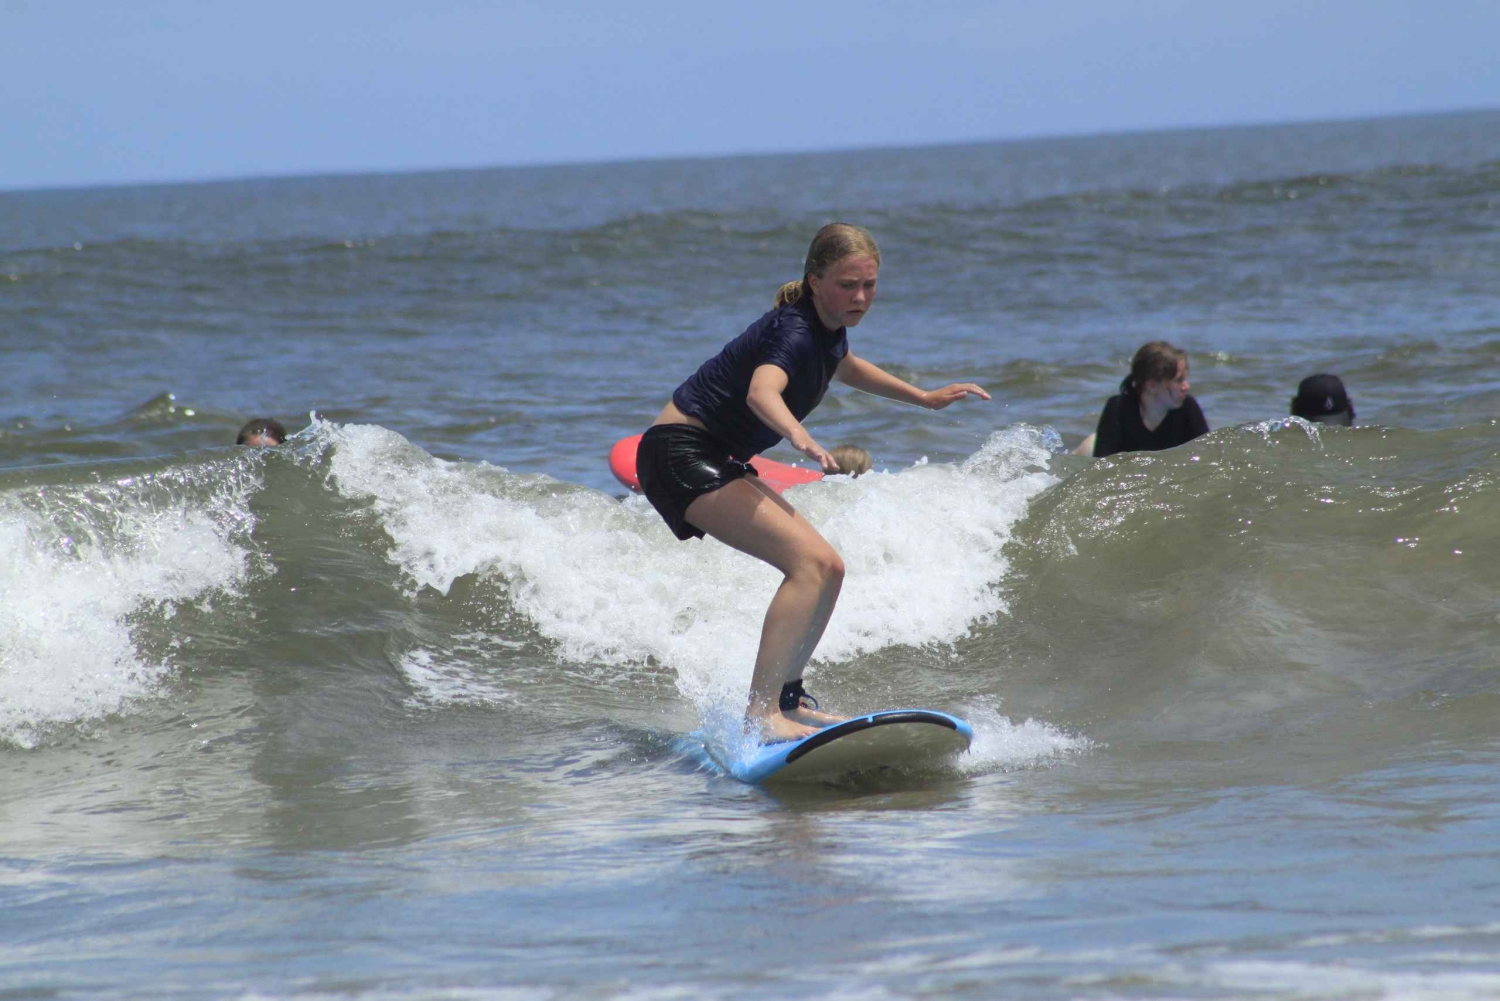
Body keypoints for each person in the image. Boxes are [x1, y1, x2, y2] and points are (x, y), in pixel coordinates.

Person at [635, 223, 990, 741]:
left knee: (830, 567)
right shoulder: (795, 330)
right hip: (678, 454)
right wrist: (799, 436)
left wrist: (925, 397)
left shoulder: (827, 330)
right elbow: (762, 392)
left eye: (869, 285)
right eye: (848, 285)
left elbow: (843, 366)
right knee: (805, 564)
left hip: (712, 455)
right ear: (815, 279)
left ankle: (787, 700)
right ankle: (761, 714)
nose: (861, 297)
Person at [1076, 341, 1208, 458]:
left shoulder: (1188, 407)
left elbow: (1209, 456)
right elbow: (1102, 463)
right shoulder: (1118, 408)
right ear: (1151, 385)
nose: (1186, 386)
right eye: (1179, 380)